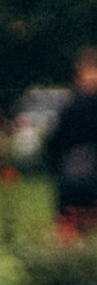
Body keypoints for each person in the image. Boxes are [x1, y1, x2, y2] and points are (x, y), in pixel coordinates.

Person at [43, 48, 97, 229]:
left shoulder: (71, 107)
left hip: (73, 176)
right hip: (78, 178)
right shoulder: (72, 108)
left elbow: (54, 146)